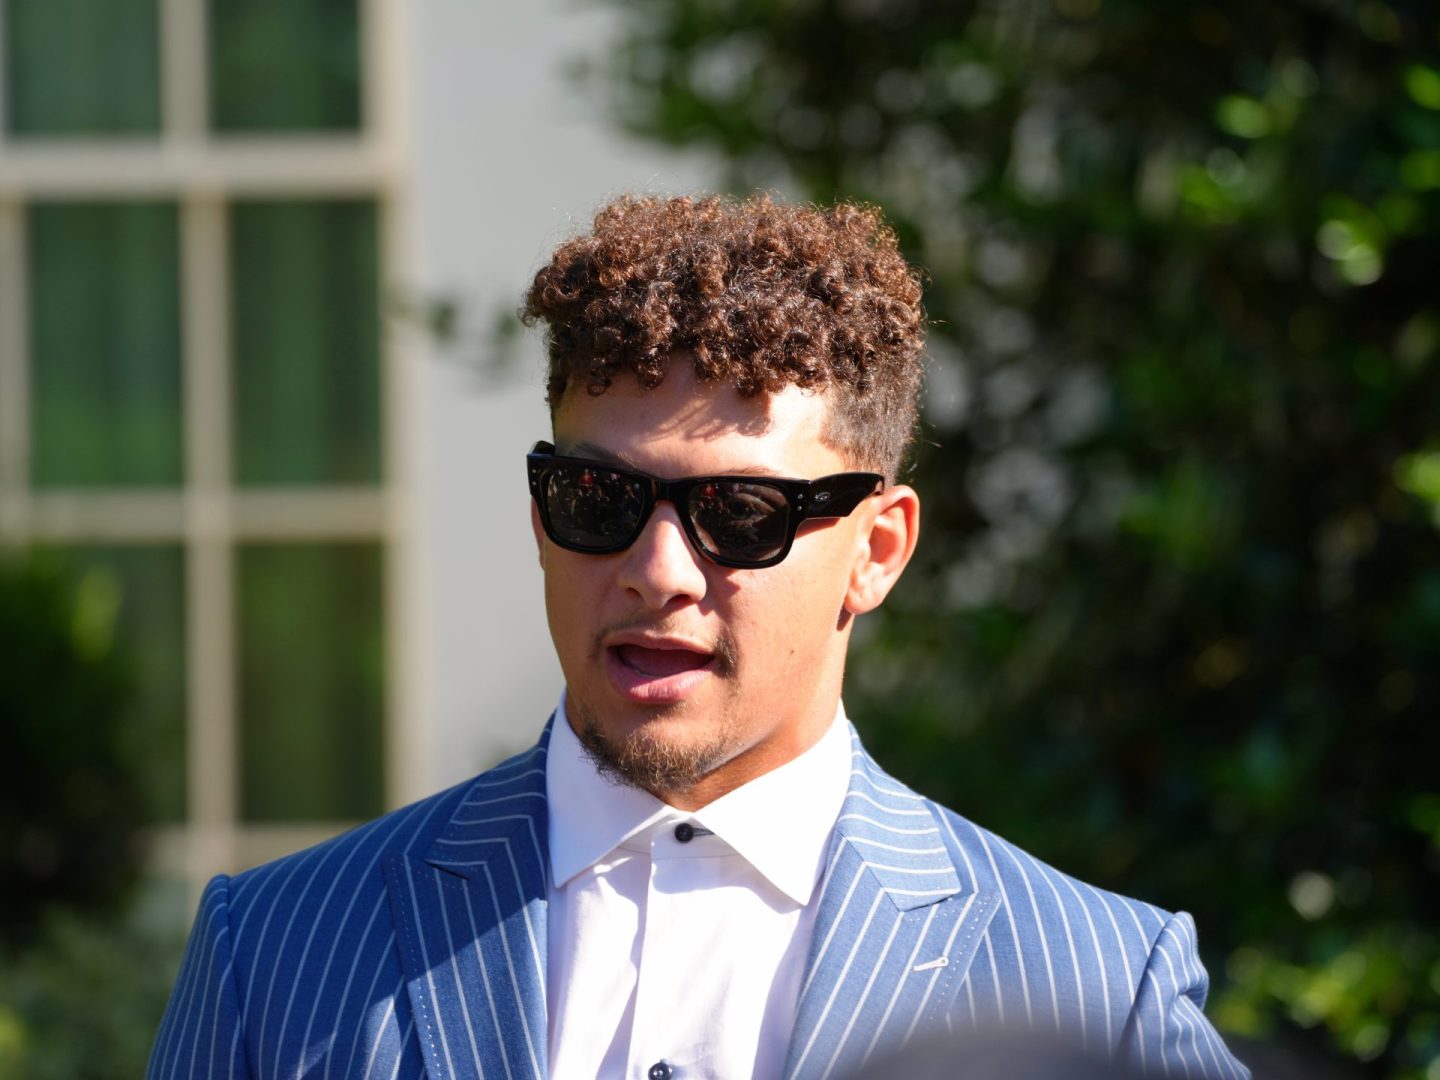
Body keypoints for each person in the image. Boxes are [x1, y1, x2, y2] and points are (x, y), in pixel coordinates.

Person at [147, 194, 1250, 1080]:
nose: (658, 571)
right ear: (540, 515)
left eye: (742, 514)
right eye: (597, 499)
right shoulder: (275, 950)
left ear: (876, 551)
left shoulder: (1099, 992)